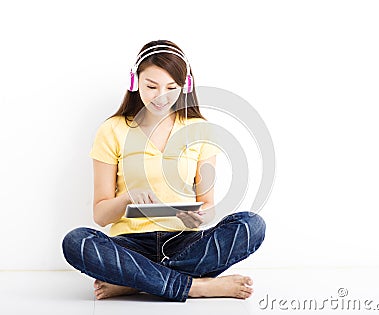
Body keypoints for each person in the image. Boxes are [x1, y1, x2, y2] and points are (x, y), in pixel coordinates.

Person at [62, 39, 266, 302]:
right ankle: (195, 287)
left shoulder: (201, 130)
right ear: (135, 83)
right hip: (130, 245)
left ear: (185, 87)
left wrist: (200, 216)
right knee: (76, 241)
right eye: (151, 86)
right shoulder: (111, 130)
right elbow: (100, 216)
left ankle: (136, 282)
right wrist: (127, 198)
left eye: (172, 88)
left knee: (252, 225)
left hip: (185, 242)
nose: (162, 96)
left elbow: (208, 205)